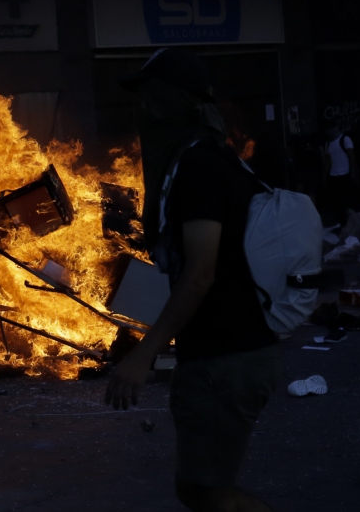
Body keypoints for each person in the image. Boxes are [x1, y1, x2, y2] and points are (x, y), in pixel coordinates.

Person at [106, 49, 279, 512]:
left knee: (209, 491)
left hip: (230, 356)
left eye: (147, 95)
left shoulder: (200, 166)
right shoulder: (202, 160)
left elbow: (201, 273)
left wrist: (144, 353)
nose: (140, 108)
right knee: (199, 489)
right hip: (220, 351)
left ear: (173, 100)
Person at [320, 125, 360, 227]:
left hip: (344, 174)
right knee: (338, 202)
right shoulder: (328, 144)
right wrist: (325, 176)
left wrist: (353, 173)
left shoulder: (345, 139)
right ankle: (342, 222)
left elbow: (352, 157)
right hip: (334, 175)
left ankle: (349, 222)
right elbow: (328, 161)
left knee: (346, 200)